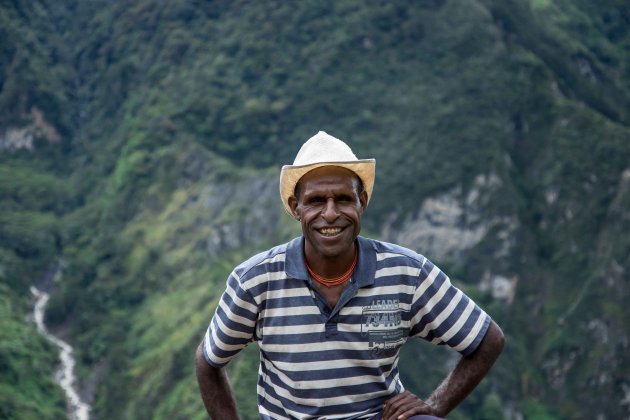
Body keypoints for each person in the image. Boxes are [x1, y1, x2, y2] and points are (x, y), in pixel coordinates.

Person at [196, 131, 505, 420]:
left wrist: (434, 406)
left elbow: (487, 340)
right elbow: (209, 362)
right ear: (296, 208)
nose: (330, 213)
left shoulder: (407, 273)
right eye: (316, 201)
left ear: (362, 202)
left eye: (343, 199)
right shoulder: (256, 280)